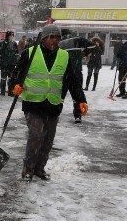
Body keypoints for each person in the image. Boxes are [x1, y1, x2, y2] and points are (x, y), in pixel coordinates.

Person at [12, 24, 88, 181]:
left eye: (57, 38)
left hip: (53, 104)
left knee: (48, 139)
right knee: (36, 135)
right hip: (33, 103)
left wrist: (80, 99)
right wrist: (17, 84)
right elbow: (17, 74)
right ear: (44, 38)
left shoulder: (64, 56)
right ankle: (28, 168)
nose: (54, 41)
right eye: (51, 37)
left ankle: (39, 168)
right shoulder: (30, 53)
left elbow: (72, 80)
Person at [59, 29, 94, 123]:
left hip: (63, 72)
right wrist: (84, 53)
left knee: (60, 95)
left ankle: (55, 114)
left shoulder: (59, 43)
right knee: (77, 94)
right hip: (76, 71)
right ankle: (78, 115)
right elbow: (93, 45)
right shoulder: (77, 40)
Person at [0, 31, 19, 96]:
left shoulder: (14, 44)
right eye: (10, 36)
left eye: (12, 36)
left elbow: (17, 54)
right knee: (3, 79)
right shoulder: (2, 44)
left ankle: (10, 91)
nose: (11, 37)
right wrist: (0, 63)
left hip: (11, 65)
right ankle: (2, 91)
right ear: (7, 36)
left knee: (11, 79)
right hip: (4, 65)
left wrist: (16, 62)